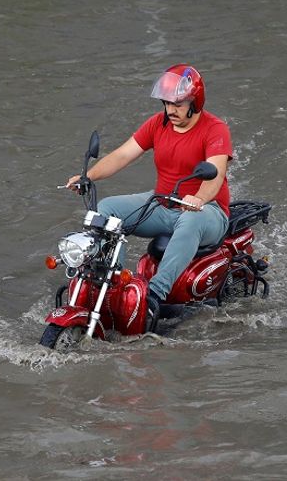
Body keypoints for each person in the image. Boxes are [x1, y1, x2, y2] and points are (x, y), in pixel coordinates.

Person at [66, 64, 233, 321]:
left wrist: (199, 198)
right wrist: (88, 177)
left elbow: (216, 173)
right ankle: (111, 287)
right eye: (166, 103)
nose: (170, 110)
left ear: (195, 102)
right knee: (107, 210)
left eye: (178, 104)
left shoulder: (215, 129)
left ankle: (153, 298)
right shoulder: (158, 124)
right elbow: (123, 154)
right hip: (163, 204)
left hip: (206, 211)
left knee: (190, 220)